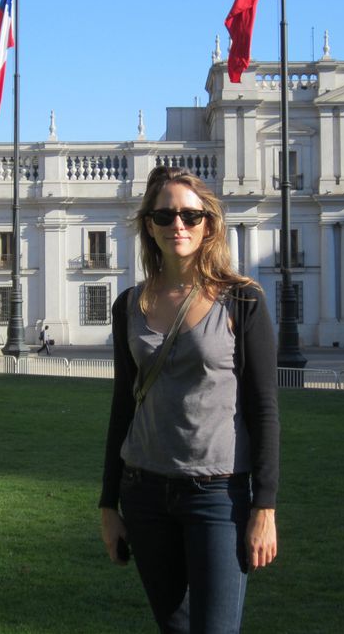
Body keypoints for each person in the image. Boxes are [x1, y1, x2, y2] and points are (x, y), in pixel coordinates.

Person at [99, 165, 279, 633]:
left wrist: (265, 508)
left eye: (189, 215)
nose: (177, 225)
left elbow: (264, 409)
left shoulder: (242, 300)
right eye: (164, 216)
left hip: (217, 494)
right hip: (144, 492)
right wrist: (108, 505)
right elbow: (123, 404)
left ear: (209, 224)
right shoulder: (129, 306)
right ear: (149, 226)